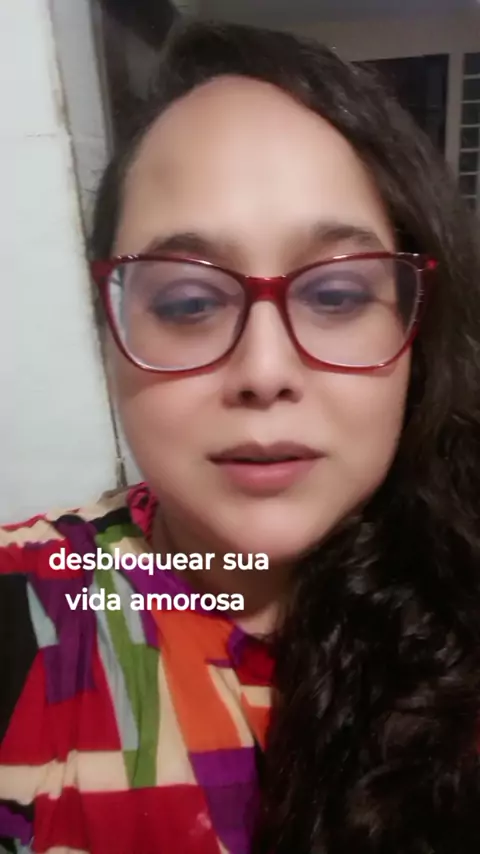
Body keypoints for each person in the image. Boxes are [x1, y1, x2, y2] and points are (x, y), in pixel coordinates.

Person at [1, 18, 480, 854]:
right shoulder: (38, 604)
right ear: (110, 331)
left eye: (336, 296)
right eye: (188, 302)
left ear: (415, 327)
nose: (264, 370)